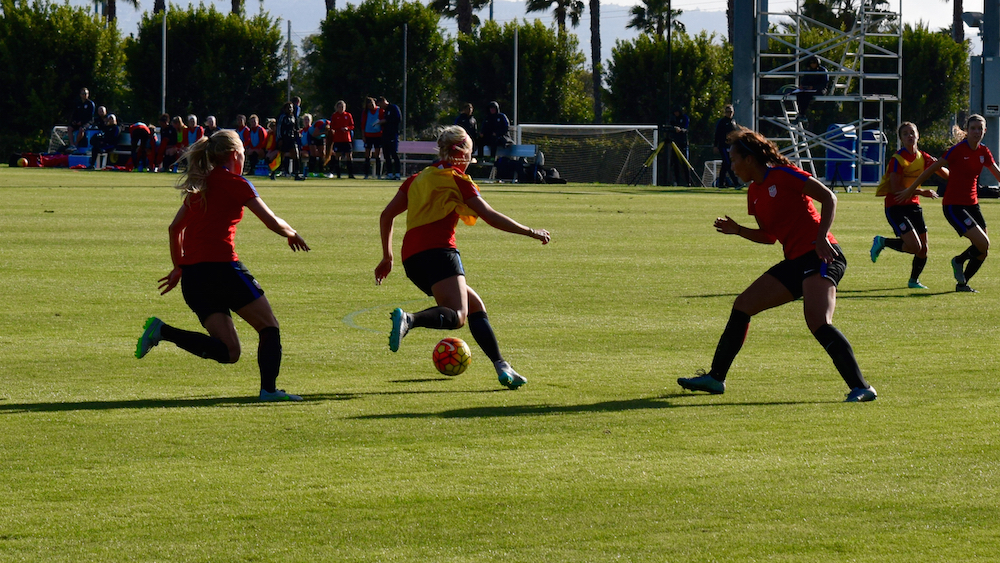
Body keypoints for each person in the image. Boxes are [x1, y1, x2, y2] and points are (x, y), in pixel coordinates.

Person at [677, 127, 877, 402]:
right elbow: (769, 237)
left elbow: (829, 197)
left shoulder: (782, 175)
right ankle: (715, 378)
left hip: (822, 255)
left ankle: (862, 387)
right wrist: (738, 230)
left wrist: (820, 239)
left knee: (818, 321)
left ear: (749, 160)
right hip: (795, 260)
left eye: (734, 160)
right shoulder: (753, 193)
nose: (731, 166)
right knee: (742, 305)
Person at [134, 129, 311, 402]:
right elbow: (272, 221)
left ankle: (162, 331)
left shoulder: (200, 185)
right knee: (269, 327)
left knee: (230, 352)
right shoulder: (236, 182)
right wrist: (292, 233)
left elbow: (174, 229)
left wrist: (179, 266)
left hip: (194, 277)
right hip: (222, 270)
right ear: (234, 154)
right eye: (242, 152)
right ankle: (269, 391)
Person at [375, 125, 551, 390]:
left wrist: (387, 256)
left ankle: (502, 366)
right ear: (460, 153)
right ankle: (410, 320)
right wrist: (530, 231)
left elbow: (386, 215)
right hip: (440, 252)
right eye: (470, 152)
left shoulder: (416, 179)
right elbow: (490, 215)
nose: (470, 159)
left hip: (411, 259)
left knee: (475, 306)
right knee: (458, 316)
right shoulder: (458, 179)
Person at [896, 114, 1000, 293]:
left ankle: (962, 284)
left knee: (982, 250)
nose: (976, 132)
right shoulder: (957, 150)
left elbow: (997, 173)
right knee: (983, 243)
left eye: (979, 128)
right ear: (967, 131)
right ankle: (958, 261)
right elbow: (931, 169)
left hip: (972, 204)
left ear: (985, 130)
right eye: (973, 128)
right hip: (954, 206)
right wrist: (911, 188)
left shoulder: (984, 151)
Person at [869, 122, 948, 289]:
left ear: (918, 135)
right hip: (896, 206)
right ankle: (882, 242)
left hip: (913, 205)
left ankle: (913, 281)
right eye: (905, 134)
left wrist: (938, 164)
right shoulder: (897, 160)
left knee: (923, 249)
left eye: (912, 132)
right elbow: (897, 189)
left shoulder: (923, 157)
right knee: (914, 246)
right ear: (901, 139)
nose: (909, 136)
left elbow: (948, 176)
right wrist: (922, 192)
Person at [273, 101, 304, 181]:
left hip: (291, 139)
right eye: (289, 107)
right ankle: (274, 172)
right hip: (284, 139)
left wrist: (297, 133)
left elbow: (295, 128)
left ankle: (297, 174)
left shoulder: (293, 117)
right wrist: (279, 139)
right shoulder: (282, 117)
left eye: (291, 108)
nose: (290, 109)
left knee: (296, 155)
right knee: (281, 156)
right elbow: (279, 129)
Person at [794, 56, 830, 124]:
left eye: (814, 63)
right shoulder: (808, 71)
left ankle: (802, 114)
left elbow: (824, 84)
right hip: (809, 90)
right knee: (799, 94)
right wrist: (802, 86)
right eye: (811, 63)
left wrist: (813, 87)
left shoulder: (823, 71)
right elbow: (804, 81)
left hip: (820, 90)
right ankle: (801, 114)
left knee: (807, 95)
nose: (812, 64)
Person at [712, 104, 740, 188]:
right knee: (728, 164)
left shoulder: (733, 122)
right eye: (727, 112)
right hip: (723, 146)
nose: (729, 113)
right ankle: (736, 183)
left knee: (725, 165)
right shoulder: (722, 122)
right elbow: (717, 134)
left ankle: (721, 183)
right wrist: (715, 145)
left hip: (730, 146)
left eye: (731, 112)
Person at [328, 100, 356, 179]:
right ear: (337, 108)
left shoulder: (348, 115)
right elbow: (332, 126)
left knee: (349, 155)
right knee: (337, 156)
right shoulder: (334, 116)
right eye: (340, 107)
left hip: (347, 139)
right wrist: (340, 128)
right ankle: (338, 174)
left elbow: (352, 125)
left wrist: (347, 128)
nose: (341, 109)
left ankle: (350, 174)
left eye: (343, 107)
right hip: (338, 139)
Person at [379, 95, 402, 180]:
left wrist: (386, 121)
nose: (381, 107)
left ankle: (397, 174)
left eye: (380, 105)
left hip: (393, 134)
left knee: (394, 154)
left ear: (383, 102)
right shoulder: (385, 111)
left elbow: (398, 119)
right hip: (385, 135)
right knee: (386, 154)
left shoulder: (393, 108)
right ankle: (389, 174)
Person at [668, 107, 691, 186]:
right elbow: (670, 127)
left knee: (685, 163)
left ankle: (688, 182)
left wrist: (680, 130)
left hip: (683, 143)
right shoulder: (673, 119)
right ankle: (677, 182)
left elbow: (686, 128)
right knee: (675, 163)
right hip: (675, 143)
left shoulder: (684, 118)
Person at [362, 97, 384, 179]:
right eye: (369, 106)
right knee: (367, 154)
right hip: (368, 135)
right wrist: (363, 135)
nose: (371, 107)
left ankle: (378, 174)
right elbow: (363, 124)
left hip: (378, 135)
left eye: (372, 105)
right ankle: (366, 174)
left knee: (377, 155)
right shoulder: (366, 112)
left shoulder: (380, 110)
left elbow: (383, 121)